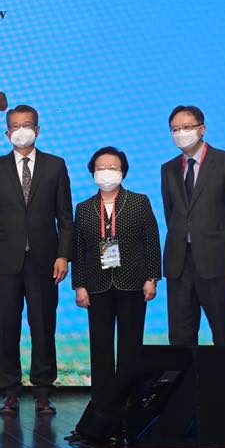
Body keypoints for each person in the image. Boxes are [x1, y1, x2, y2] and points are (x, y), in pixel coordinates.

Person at [0, 104, 73, 416]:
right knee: (7, 326)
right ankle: (10, 390)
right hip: (4, 263)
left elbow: (65, 216)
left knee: (43, 326)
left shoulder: (55, 166)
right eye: (15, 126)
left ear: (38, 130)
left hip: (45, 261)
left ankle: (43, 390)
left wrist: (63, 255)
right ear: (7, 133)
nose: (22, 130)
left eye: (27, 125)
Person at [71, 147, 161, 396]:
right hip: (96, 285)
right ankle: (102, 399)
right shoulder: (84, 208)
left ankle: (128, 398)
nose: (106, 172)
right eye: (101, 168)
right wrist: (79, 285)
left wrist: (152, 278)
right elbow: (78, 249)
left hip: (133, 282)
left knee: (131, 344)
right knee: (100, 344)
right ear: (92, 172)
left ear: (123, 172)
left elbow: (152, 241)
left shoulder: (139, 202)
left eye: (113, 168)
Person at [161, 105, 225, 347]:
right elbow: (172, 215)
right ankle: (185, 375)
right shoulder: (168, 169)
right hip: (179, 263)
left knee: (221, 333)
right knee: (180, 336)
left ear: (202, 129)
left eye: (186, 127)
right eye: (175, 129)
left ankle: (221, 374)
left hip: (217, 262)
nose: (180, 133)